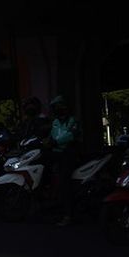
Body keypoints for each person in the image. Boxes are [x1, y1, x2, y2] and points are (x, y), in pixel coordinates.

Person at [48, 96, 80, 226]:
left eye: (57, 107)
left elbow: (71, 135)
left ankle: (68, 215)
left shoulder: (73, 121)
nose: (55, 110)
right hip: (57, 154)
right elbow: (52, 135)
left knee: (65, 183)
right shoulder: (55, 122)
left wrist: (56, 142)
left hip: (69, 154)